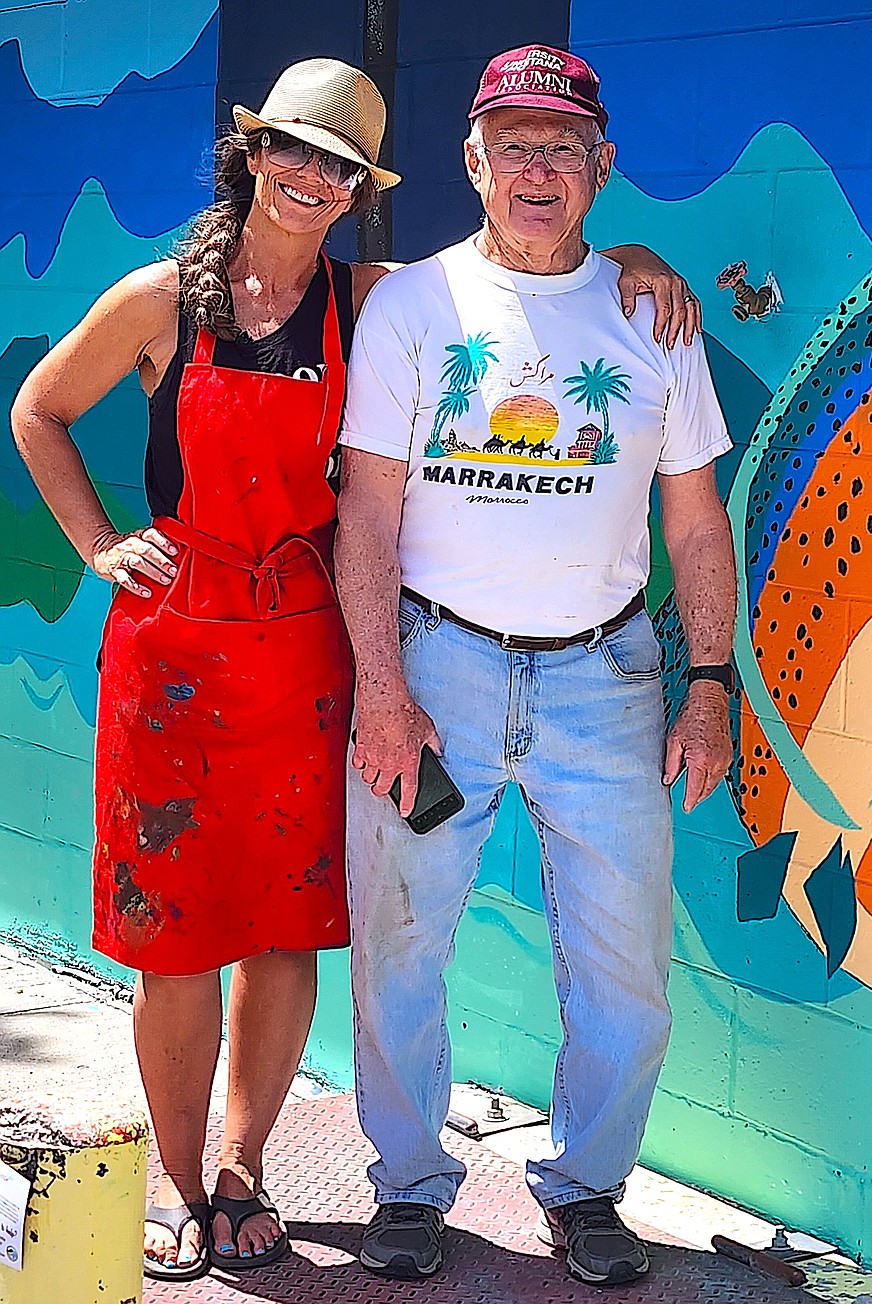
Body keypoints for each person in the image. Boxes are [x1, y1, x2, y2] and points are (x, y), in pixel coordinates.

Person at [9, 55, 702, 1284]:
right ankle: (195, 1188)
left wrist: (642, 261)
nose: (312, 178)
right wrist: (99, 539)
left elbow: (542, 277)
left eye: (337, 164)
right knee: (191, 938)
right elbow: (40, 409)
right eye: (293, 151)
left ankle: (254, 1168)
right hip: (188, 656)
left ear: (359, 188)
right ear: (252, 154)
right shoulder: (179, 296)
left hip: (323, 655)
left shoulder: (369, 297)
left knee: (290, 928)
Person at [336, 43, 737, 1289]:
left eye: (563, 146)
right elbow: (366, 516)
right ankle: (408, 1181)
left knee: (624, 957)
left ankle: (588, 1186)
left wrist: (712, 679)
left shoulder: (651, 313)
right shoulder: (413, 309)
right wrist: (384, 693)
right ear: (472, 161)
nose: (538, 168)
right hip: (437, 669)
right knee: (398, 939)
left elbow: (695, 519)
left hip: (606, 677)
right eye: (513, 144)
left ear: (603, 166)